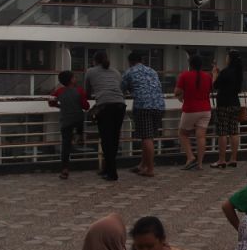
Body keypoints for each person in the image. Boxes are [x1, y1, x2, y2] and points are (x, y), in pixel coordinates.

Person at [83, 51, 127, 182]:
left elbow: (87, 92)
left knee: (106, 139)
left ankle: (112, 173)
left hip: (105, 106)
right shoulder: (116, 72)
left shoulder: (90, 72)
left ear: (94, 61)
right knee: (114, 138)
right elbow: (119, 88)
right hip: (120, 105)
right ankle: (108, 168)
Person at [120, 51, 164, 178]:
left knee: (146, 137)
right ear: (142, 60)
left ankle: (150, 169)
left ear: (130, 62)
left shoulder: (129, 72)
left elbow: (121, 89)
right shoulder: (152, 71)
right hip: (159, 105)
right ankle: (142, 165)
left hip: (143, 105)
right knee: (150, 137)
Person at [174, 54, 212, 171]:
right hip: (206, 109)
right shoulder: (208, 76)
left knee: (183, 134)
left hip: (190, 109)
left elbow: (177, 92)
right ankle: (199, 164)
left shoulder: (185, 75)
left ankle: (190, 157)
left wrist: (181, 95)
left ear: (190, 64)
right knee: (201, 136)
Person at [48, 70, 89, 180]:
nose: (76, 79)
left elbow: (51, 102)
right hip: (77, 118)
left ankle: (65, 169)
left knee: (65, 145)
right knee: (80, 120)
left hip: (65, 120)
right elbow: (86, 106)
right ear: (71, 80)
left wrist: (60, 106)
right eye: (74, 77)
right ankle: (80, 135)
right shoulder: (79, 91)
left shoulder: (59, 91)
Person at [211, 50, 244, 169]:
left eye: (227, 57)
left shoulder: (226, 72)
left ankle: (221, 160)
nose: (225, 59)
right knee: (234, 131)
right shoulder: (238, 72)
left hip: (223, 104)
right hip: (235, 103)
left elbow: (215, 85)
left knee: (222, 132)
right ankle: (233, 159)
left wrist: (214, 75)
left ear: (230, 59)